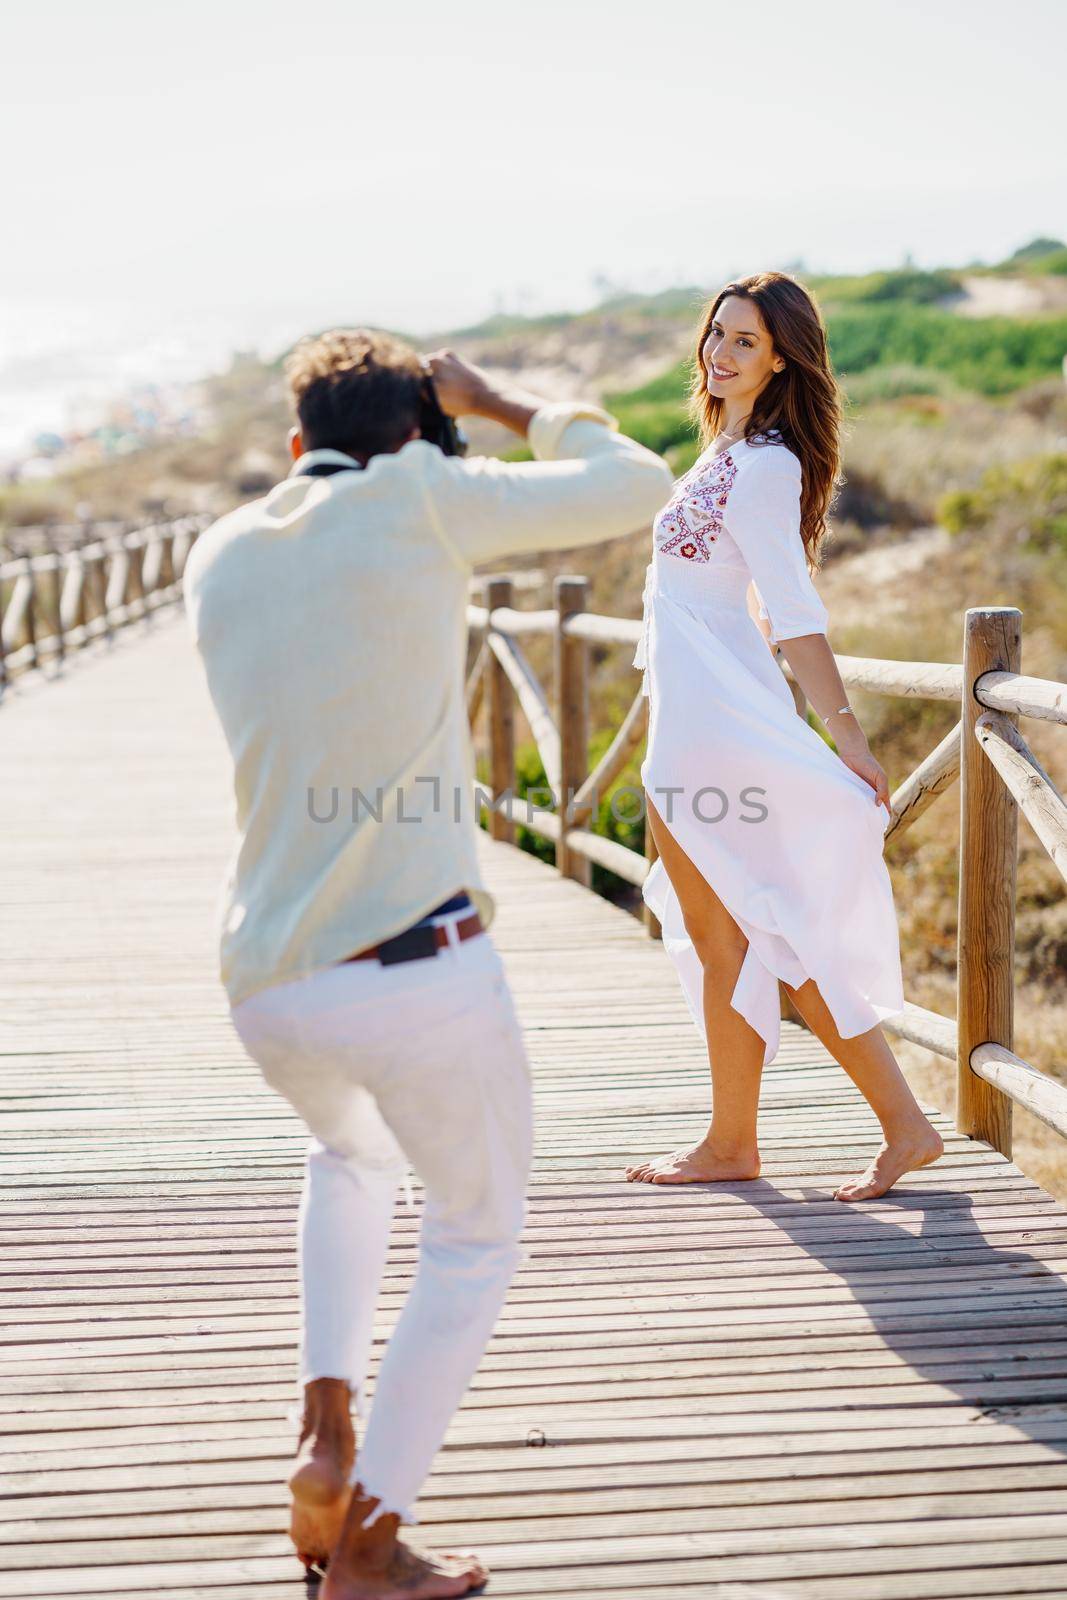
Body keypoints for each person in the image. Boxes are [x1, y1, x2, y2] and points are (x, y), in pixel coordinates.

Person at [182, 328, 672, 1600]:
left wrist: (412, 438)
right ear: (414, 432)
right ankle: (369, 1542)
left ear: (295, 445)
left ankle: (325, 1429)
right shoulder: (421, 495)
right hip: (413, 971)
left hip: (267, 984)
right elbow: (640, 486)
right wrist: (494, 406)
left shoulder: (219, 550)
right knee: (473, 1236)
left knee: (349, 1154)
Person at [624, 272, 944, 1203]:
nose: (719, 355)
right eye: (716, 335)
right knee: (726, 937)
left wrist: (842, 733)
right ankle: (745, 1140)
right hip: (689, 724)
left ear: (782, 359)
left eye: (744, 343)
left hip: (716, 731)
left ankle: (891, 1124)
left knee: (762, 929)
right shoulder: (726, 449)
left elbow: (792, 612)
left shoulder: (764, 465)